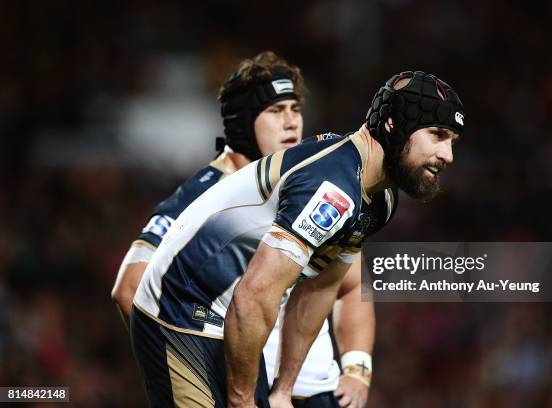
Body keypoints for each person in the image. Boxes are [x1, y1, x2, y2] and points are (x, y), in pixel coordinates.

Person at [132, 69, 464, 407]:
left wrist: (282, 391)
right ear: (393, 123)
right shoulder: (332, 186)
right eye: (437, 134)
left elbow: (321, 287)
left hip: (232, 313)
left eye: (452, 140)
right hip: (180, 304)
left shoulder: (381, 198)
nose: (448, 155)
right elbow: (253, 295)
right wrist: (242, 401)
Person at [112, 52, 383, 407]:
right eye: (275, 111)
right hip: (246, 389)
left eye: (295, 109)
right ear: (242, 122)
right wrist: (198, 371)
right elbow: (130, 288)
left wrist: (357, 368)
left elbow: (349, 285)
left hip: (319, 389)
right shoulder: (202, 196)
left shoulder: (312, 182)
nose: (291, 123)